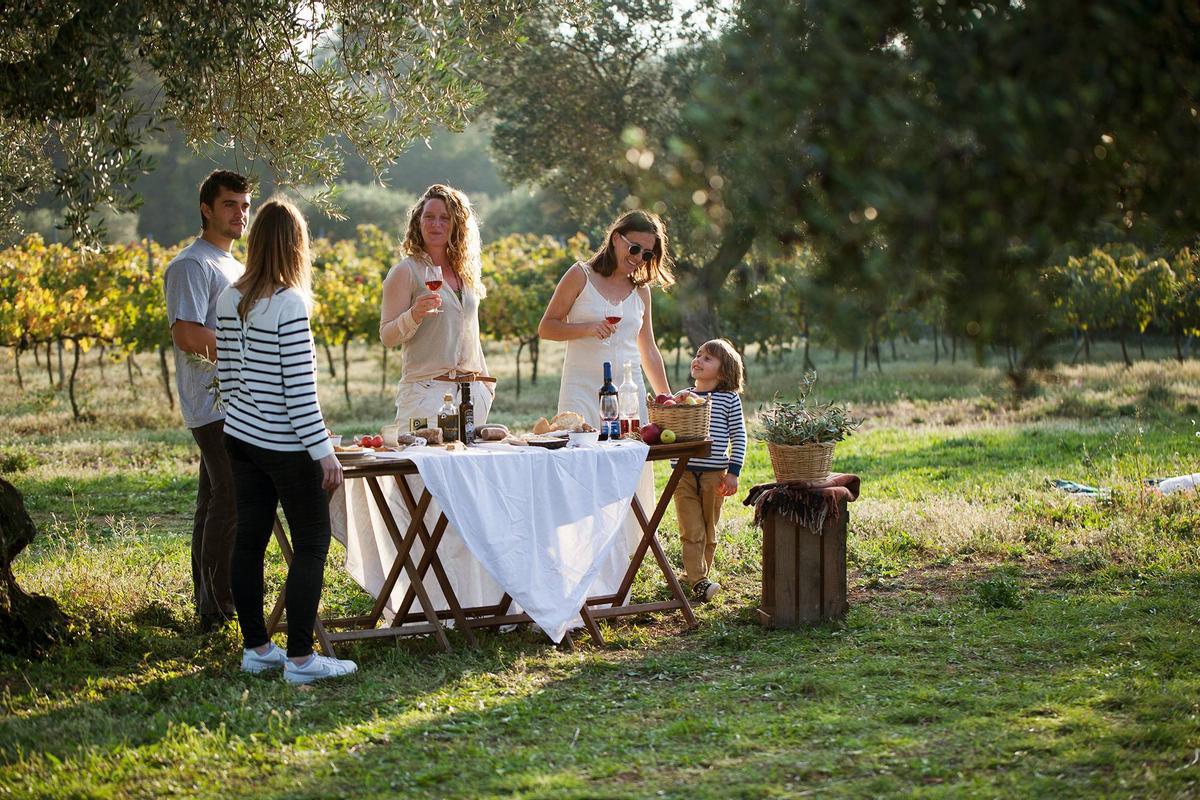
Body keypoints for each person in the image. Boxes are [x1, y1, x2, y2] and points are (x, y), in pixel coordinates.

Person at [215, 197, 356, 684]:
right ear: (297, 247)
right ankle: (300, 659)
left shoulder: (228, 299)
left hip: (241, 437)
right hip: (285, 444)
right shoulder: (289, 304)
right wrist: (325, 452)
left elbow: (229, 378)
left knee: (249, 541)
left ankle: (256, 647)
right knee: (313, 543)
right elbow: (299, 393)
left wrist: (246, 418)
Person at [162, 169, 251, 632]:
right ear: (207, 209)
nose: (240, 214)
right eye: (230, 205)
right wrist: (247, 351)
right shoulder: (191, 266)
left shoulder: (234, 266)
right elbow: (185, 333)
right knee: (231, 500)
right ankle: (218, 606)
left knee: (214, 500)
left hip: (238, 402)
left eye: (244, 205)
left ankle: (208, 600)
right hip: (213, 404)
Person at [538, 209, 674, 426]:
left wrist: (667, 399)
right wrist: (587, 328)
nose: (638, 258)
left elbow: (648, 349)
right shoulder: (580, 275)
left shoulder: (641, 292)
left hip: (628, 394)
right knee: (582, 457)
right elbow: (546, 328)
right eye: (635, 248)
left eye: (647, 254)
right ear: (616, 238)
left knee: (630, 458)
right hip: (581, 392)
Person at [379, 184, 494, 427]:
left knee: (467, 465)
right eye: (429, 217)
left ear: (457, 225)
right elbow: (387, 337)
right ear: (418, 222)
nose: (436, 224)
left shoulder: (467, 273)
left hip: (470, 397)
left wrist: (485, 387)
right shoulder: (405, 272)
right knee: (420, 464)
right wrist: (414, 315)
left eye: (445, 218)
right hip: (425, 395)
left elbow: (471, 334)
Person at [670, 339, 747, 602]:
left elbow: (739, 436)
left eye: (707, 358)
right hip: (683, 473)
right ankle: (699, 580)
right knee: (691, 527)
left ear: (724, 372)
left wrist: (734, 472)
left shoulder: (729, 400)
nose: (698, 360)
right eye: (698, 355)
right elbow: (670, 428)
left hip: (714, 474)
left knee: (708, 528)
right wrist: (673, 404)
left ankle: (697, 574)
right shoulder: (681, 397)